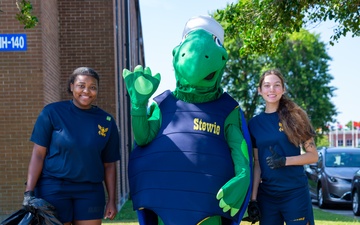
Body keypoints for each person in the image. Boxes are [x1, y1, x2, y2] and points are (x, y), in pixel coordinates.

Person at [23, 67, 121, 225]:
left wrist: (111, 200)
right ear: (71, 86)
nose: (87, 91)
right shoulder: (52, 112)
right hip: (54, 188)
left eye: (92, 87)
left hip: (90, 191)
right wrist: (29, 192)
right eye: (81, 85)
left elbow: (109, 165)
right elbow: (38, 154)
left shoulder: (107, 121)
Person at [247, 69, 318, 225]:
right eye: (266, 86)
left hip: (295, 193)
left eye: (276, 85)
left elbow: (313, 155)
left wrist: (284, 161)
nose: (271, 89)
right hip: (267, 197)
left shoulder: (296, 117)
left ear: (283, 89)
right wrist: (253, 199)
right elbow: (257, 164)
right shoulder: (253, 124)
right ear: (260, 90)